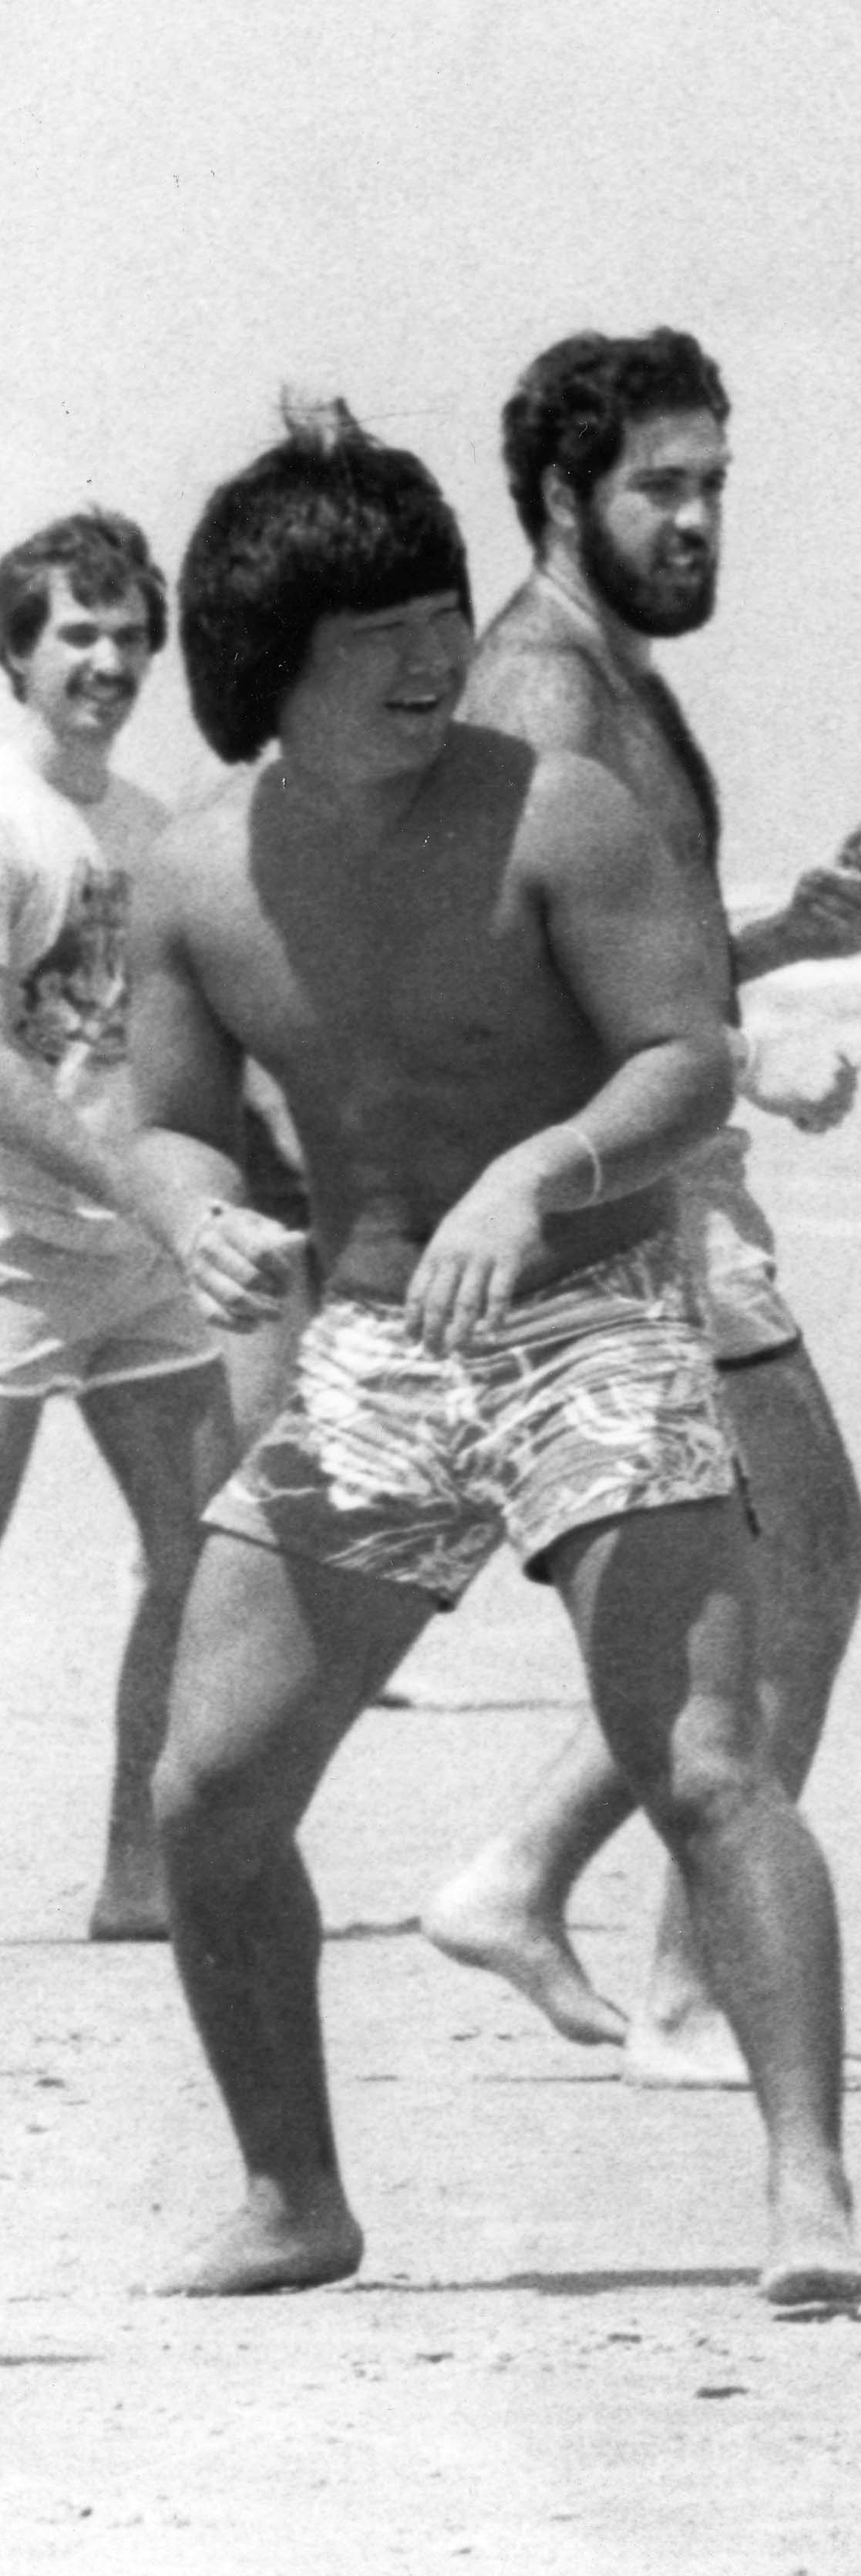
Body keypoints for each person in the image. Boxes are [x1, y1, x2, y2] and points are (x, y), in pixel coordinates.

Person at [124, 403, 861, 2300]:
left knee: (704, 1755)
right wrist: (189, 1202)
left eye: (440, 608)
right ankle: (298, 2195)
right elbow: (172, 1113)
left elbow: (682, 1048)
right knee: (208, 1795)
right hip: (381, 1349)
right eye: (375, 635)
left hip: (596, 1313)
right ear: (266, 668)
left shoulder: (555, 808)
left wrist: (543, 1166)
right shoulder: (201, 875)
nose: (433, 653)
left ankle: (810, 2191)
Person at [420, 328, 861, 2089]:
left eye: (715, 484)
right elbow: (496, 974)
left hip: (663, 1170)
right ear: (563, 492)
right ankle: (691, 1986)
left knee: (752, 1575)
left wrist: (773, 948)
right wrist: (717, 1080)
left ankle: (520, 1875)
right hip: (634, 1198)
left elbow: (633, 943)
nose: (699, 520)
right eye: (661, 487)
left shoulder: (611, 674)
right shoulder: (542, 691)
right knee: (805, 1561)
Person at [0, 510, 238, 1941]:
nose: (109, 659)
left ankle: (140, 1876)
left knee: (202, 1555)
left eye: (129, 633)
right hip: (8, 1251)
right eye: (77, 634)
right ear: (16, 653)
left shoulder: (153, 830)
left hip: (138, 1257)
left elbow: (180, 1046)